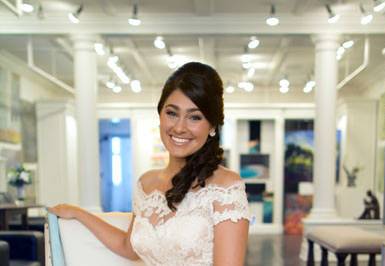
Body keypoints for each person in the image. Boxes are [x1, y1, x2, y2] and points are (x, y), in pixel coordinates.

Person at [49, 62, 250, 265]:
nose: (180, 127)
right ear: (160, 115)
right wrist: (78, 213)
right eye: (172, 113)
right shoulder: (146, 183)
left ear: (212, 125)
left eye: (194, 117)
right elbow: (128, 247)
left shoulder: (226, 188)